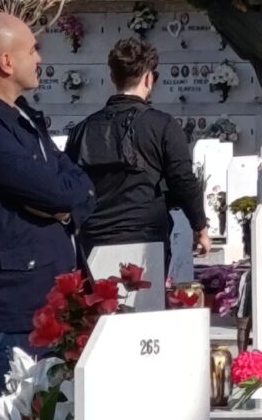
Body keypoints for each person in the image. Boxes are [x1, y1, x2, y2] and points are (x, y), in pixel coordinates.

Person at [0, 12, 96, 417]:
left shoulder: (22, 116)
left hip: (46, 303)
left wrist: (62, 207)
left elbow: (77, 184)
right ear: (6, 62)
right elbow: (53, 189)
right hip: (6, 314)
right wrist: (60, 200)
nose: (39, 59)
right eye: (32, 50)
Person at [65, 38, 210, 277]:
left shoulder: (82, 129)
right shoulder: (162, 125)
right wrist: (199, 227)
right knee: (144, 310)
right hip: (145, 237)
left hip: (94, 237)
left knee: (98, 310)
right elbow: (182, 179)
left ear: (113, 78)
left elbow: (69, 185)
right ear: (148, 78)